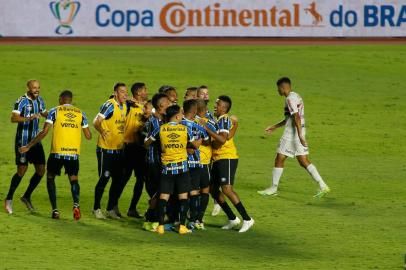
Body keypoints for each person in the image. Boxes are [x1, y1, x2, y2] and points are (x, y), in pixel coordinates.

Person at [19, 90, 91, 219]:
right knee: (73, 179)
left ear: (60, 99)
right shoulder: (81, 113)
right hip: (73, 154)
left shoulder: (55, 111)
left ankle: (55, 210)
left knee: (51, 177)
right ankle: (76, 204)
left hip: (57, 152)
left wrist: (28, 146)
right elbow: (88, 136)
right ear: (71, 100)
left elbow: (44, 132)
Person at [258, 77, 330, 197]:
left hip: (292, 133)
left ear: (282, 87)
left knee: (279, 158)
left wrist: (300, 136)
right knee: (303, 161)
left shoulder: (290, 99)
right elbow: (291, 118)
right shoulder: (296, 96)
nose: (277, 91)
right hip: (299, 130)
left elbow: (296, 117)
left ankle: (273, 188)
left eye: (278, 89)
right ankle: (323, 186)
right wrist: (275, 126)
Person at [201, 95, 254, 233]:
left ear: (224, 108)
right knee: (212, 188)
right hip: (218, 159)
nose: (215, 106)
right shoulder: (221, 120)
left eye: (217, 104)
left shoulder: (224, 119)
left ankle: (247, 219)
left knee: (227, 189)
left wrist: (206, 129)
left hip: (227, 158)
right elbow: (228, 136)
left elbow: (223, 139)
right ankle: (232, 218)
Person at [145, 104, 199, 235]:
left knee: (163, 197)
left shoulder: (160, 129)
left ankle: (161, 226)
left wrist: (161, 146)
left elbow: (147, 142)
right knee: (183, 197)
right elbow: (194, 145)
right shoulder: (184, 128)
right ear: (176, 116)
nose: (182, 116)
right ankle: (182, 226)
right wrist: (199, 141)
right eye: (181, 114)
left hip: (167, 168)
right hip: (182, 168)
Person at [4, 80, 47, 214]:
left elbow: (45, 113)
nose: (37, 90)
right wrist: (29, 118)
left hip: (35, 141)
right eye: (34, 88)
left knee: (41, 170)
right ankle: (9, 199)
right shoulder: (21, 101)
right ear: (28, 88)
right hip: (22, 141)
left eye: (38, 88)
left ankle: (26, 196)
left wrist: (56, 114)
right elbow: (13, 118)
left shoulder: (40, 100)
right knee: (22, 170)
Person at [93, 83, 128, 219]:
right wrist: (102, 131)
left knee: (118, 180)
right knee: (104, 178)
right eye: (122, 92)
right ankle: (96, 208)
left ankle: (110, 209)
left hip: (118, 150)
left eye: (126, 92)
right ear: (115, 93)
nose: (125, 94)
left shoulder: (124, 106)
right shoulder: (109, 105)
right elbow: (96, 121)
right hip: (105, 149)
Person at [116, 82, 148, 218]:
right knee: (124, 178)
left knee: (140, 179)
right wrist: (129, 100)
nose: (147, 91)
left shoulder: (147, 107)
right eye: (145, 90)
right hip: (128, 147)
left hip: (141, 149)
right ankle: (113, 205)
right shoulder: (129, 105)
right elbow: (113, 97)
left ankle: (132, 209)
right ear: (138, 92)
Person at [142, 93, 171, 230]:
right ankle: (150, 218)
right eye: (167, 102)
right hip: (154, 162)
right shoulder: (154, 122)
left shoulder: (163, 120)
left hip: (162, 162)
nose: (170, 103)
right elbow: (147, 143)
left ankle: (153, 218)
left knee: (162, 192)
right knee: (159, 192)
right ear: (161, 105)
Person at [180, 99, 207, 230]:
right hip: (193, 163)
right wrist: (197, 141)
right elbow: (205, 140)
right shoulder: (197, 125)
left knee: (184, 193)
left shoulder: (179, 124)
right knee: (193, 192)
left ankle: (182, 221)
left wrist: (193, 144)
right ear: (195, 110)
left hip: (185, 163)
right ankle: (191, 221)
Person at [194, 99, 218, 229]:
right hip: (203, 162)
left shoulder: (190, 122)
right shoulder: (211, 124)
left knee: (194, 191)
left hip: (192, 161)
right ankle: (199, 218)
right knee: (204, 190)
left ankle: (193, 217)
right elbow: (215, 142)